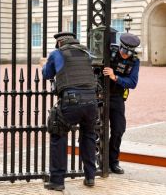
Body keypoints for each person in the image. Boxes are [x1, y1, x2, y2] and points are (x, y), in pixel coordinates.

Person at [42, 32, 98, 191]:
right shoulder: (86, 53)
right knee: (89, 136)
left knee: (58, 134)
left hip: (72, 101)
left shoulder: (58, 53)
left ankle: (57, 181)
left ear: (60, 43)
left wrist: (45, 64)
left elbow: (47, 74)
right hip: (91, 100)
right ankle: (90, 177)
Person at [102, 33, 140, 174]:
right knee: (97, 128)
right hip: (100, 96)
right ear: (120, 47)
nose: (125, 55)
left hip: (117, 97)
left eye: (129, 53)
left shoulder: (134, 61)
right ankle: (99, 160)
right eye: (124, 51)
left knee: (118, 129)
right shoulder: (109, 52)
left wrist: (115, 77)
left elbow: (133, 83)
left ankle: (113, 162)